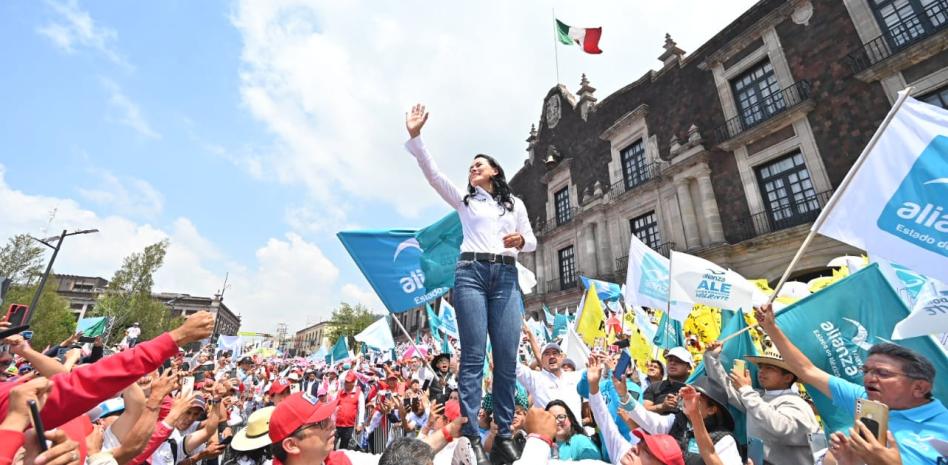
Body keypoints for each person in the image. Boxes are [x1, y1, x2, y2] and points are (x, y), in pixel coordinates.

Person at [405, 103, 536, 465]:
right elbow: (434, 176)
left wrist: (521, 241)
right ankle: (472, 434)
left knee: (507, 357)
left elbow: (532, 240)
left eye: (480, 164)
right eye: (470, 166)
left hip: (506, 277)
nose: (473, 168)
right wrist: (416, 137)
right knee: (474, 356)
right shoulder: (465, 201)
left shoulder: (515, 205)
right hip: (471, 276)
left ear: (495, 171)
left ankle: (504, 433)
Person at [755, 303, 948, 464]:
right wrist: (771, 328)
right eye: (866, 371)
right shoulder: (865, 400)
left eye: (882, 373)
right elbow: (807, 370)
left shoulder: (943, 428)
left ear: (919, 387)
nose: (869, 378)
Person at [268, 392, 465, 465]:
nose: (331, 424)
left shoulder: (343, 460)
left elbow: (401, 460)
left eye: (328, 418)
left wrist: (449, 431)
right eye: (320, 423)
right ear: (291, 445)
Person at [703, 342, 820, 464]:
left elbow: (781, 428)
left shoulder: (796, 403)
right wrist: (712, 357)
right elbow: (726, 388)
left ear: (788, 378)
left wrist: (746, 390)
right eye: (761, 367)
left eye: (770, 368)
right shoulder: (757, 397)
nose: (761, 371)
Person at [585, 354, 685, 465]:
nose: (634, 448)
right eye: (639, 443)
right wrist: (593, 385)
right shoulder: (625, 453)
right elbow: (604, 421)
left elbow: (639, 415)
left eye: (646, 452)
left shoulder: (633, 387)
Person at [517, 339, 584, 421]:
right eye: (547, 354)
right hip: (549, 429)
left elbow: (595, 371)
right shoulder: (534, 378)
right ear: (541, 360)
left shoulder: (575, 376)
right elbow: (513, 364)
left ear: (561, 357)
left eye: (555, 353)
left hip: (576, 428)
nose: (552, 356)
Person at [642, 347, 692, 414]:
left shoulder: (695, 390)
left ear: (689, 367)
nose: (672, 363)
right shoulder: (654, 387)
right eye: (669, 360)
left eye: (678, 361)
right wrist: (662, 407)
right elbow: (644, 411)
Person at [335, 371, 366, 451]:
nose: (346, 384)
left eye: (348, 382)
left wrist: (359, 424)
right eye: (346, 381)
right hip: (336, 425)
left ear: (353, 382)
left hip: (348, 426)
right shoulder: (340, 392)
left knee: (343, 448)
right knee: (332, 446)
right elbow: (333, 406)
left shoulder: (359, 393)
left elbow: (361, 409)